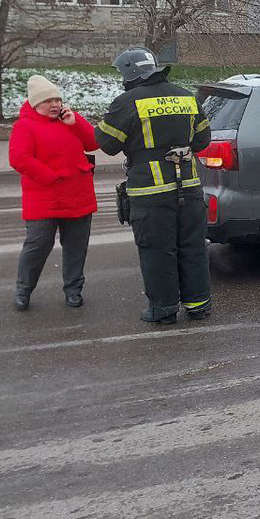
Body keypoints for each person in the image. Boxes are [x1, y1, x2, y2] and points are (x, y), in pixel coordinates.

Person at [95, 47, 212, 325]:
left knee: (157, 251)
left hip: (150, 193)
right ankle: (198, 306)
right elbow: (202, 141)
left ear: (130, 72)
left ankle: (164, 309)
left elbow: (107, 144)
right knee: (193, 246)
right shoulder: (186, 97)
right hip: (190, 188)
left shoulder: (127, 101)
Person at [9, 74, 100, 311]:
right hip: (44, 197)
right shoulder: (24, 126)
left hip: (77, 195)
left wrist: (76, 122)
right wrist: (51, 176)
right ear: (35, 103)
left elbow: (93, 143)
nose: (55, 105)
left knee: (76, 246)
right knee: (37, 245)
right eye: (48, 101)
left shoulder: (70, 120)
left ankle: (73, 290)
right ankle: (24, 289)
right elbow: (19, 158)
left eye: (57, 100)